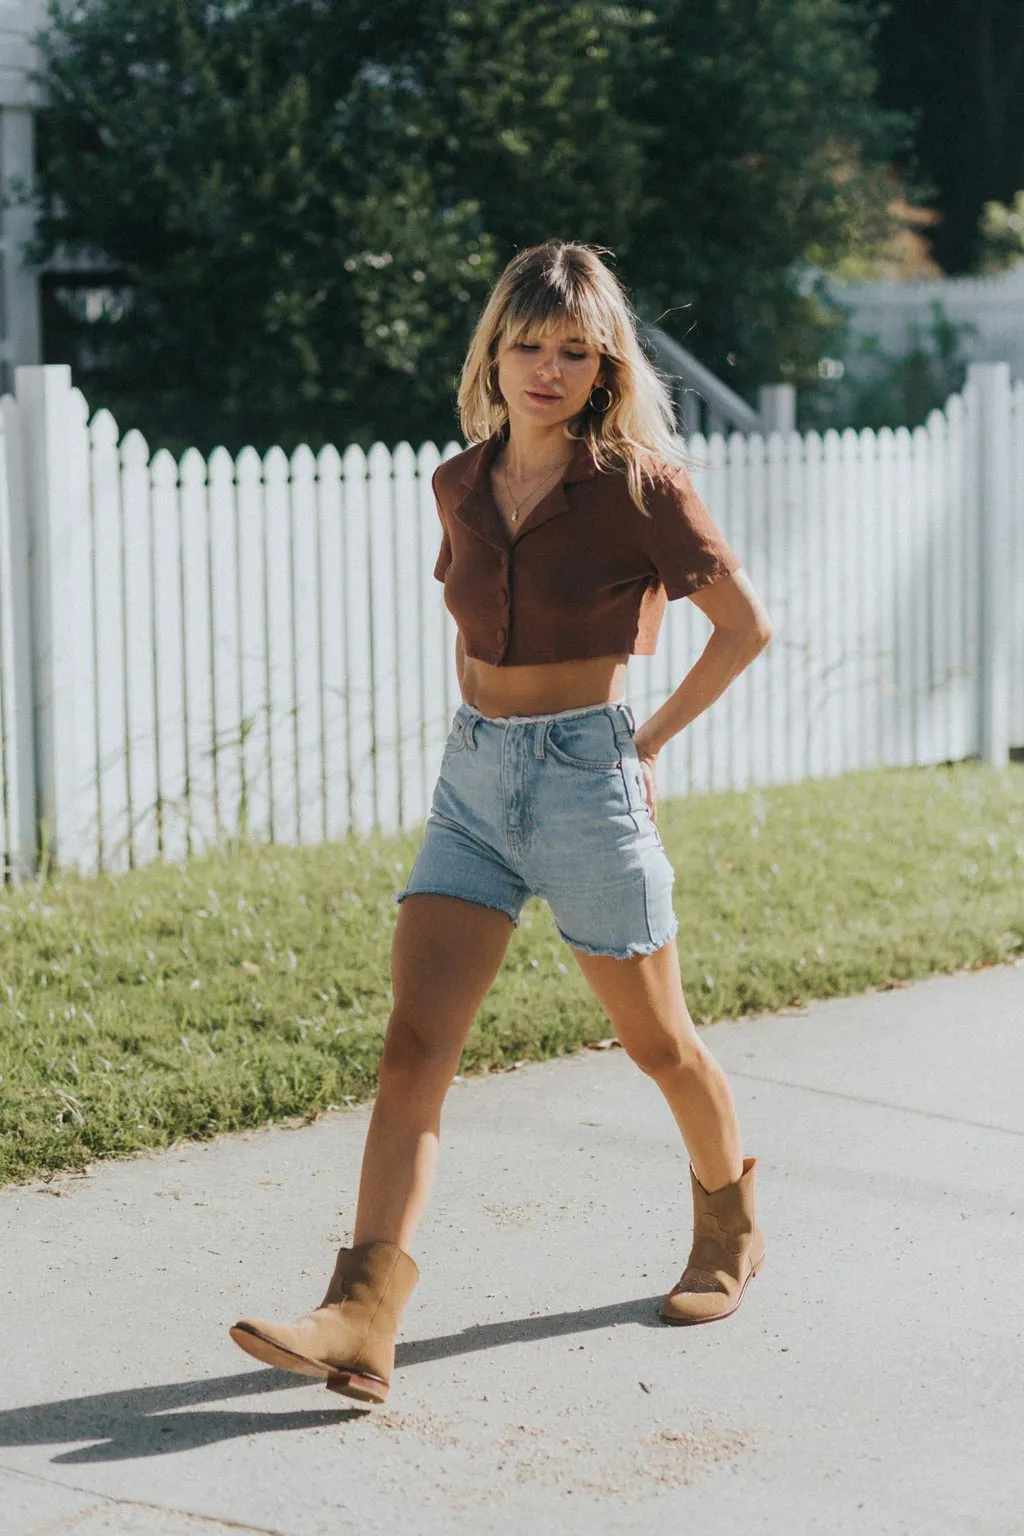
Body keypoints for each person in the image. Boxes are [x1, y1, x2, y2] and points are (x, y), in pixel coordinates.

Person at [230, 240, 774, 1405]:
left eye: (573, 350)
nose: (546, 367)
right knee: (414, 1044)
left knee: (657, 1042)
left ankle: (728, 1222)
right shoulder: (460, 484)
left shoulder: (642, 484)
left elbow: (740, 627)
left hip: (588, 777)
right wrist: (485, 738)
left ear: (604, 365)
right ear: (495, 350)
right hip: (470, 784)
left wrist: (646, 742)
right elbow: (473, 626)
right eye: (527, 345)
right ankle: (361, 1316)